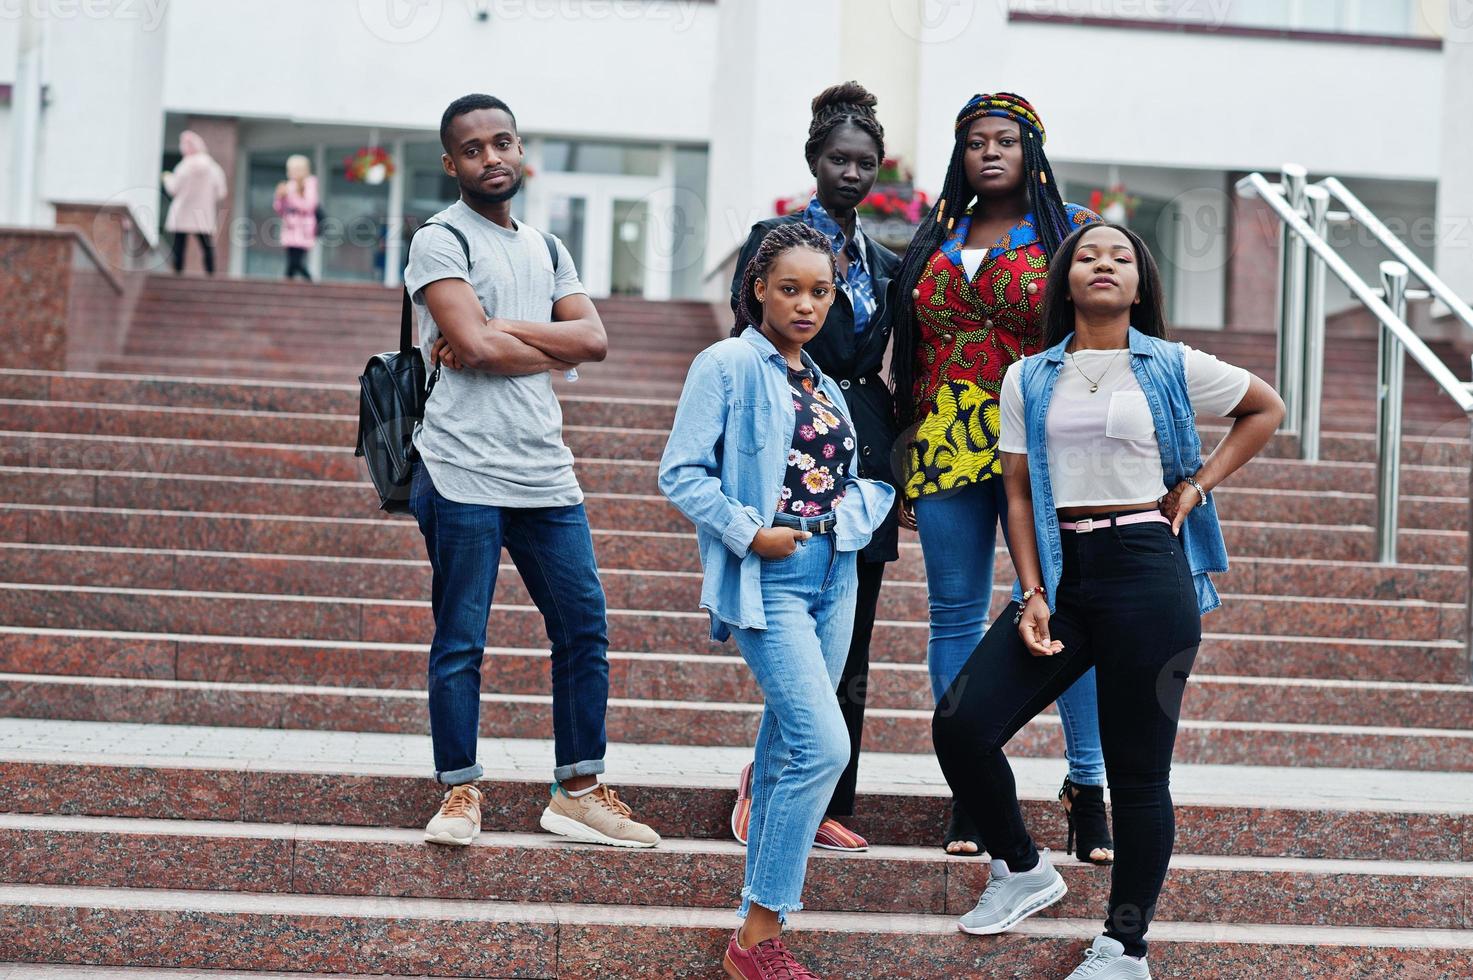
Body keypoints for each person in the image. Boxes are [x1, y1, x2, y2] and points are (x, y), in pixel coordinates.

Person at [933, 223, 1283, 978]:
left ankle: (1123, 949)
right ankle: (1024, 870)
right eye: (1087, 255)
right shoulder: (1028, 376)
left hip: (1146, 568)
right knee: (960, 725)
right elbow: (1019, 489)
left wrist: (1195, 484)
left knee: (1137, 775)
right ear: (1064, 279)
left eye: (1119, 257)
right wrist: (1029, 589)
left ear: (1138, 282)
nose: (1102, 264)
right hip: (1064, 573)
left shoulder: (1169, 364)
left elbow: (1265, 409)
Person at [405, 93, 659, 851]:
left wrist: (499, 324)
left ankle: (577, 791)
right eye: (474, 149)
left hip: (545, 471)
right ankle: (459, 792)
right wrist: (538, 341)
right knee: (461, 639)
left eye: (502, 143)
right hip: (459, 469)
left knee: (584, 627)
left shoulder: (549, 249)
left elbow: (595, 340)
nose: (492, 158)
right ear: (451, 164)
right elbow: (473, 352)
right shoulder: (439, 240)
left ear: (521, 150)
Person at [661, 222, 895, 980]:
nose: (805, 305)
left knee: (791, 745)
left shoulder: (823, 383)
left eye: (819, 292)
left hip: (836, 575)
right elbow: (682, 472)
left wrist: (845, 524)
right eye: (788, 289)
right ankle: (757, 936)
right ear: (756, 288)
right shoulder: (725, 364)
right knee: (824, 747)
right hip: (770, 576)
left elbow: (857, 479)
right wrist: (749, 531)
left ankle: (751, 940)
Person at [889, 92, 1111, 860]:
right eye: (976, 141)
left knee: (1058, 610)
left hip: (1041, 432)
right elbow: (911, 347)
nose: (990, 152)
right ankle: (971, 788)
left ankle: (1088, 786)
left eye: (1005, 141)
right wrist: (902, 445)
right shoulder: (934, 234)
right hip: (946, 432)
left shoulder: (1071, 230)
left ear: (1031, 152)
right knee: (951, 613)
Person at [726, 81, 900, 854]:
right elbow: (745, 350)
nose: (852, 173)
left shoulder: (886, 261)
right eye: (838, 159)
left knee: (850, 643)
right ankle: (767, 783)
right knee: (797, 645)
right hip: (792, 458)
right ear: (813, 160)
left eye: (865, 162)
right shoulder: (774, 238)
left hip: (864, 454)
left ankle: (827, 799)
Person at [161, 130, 226, 275]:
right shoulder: (213, 168)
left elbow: (173, 188)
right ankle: (210, 274)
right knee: (206, 246)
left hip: (182, 211)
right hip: (203, 213)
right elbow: (221, 192)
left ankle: (177, 275)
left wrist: (167, 178)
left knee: (179, 246)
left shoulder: (183, 167)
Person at [273, 155, 319, 281]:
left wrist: (291, 196)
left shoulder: (310, 184)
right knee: (292, 260)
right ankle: (290, 284)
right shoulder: (289, 185)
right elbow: (280, 209)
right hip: (290, 228)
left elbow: (309, 205)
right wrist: (280, 197)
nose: (292, 172)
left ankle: (308, 282)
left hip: (304, 228)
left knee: (295, 261)